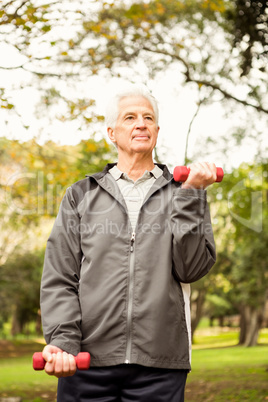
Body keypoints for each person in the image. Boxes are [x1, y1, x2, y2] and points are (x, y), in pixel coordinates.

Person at [40, 85, 217, 401]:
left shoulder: (184, 191)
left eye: (148, 118)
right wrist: (63, 340)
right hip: (87, 361)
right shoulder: (80, 195)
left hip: (160, 365)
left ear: (157, 131)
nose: (141, 124)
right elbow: (60, 277)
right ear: (112, 132)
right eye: (130, 117)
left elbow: (191, 268)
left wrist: (191, 196)